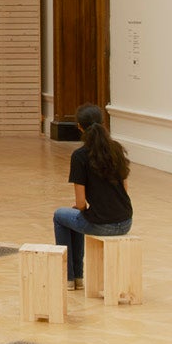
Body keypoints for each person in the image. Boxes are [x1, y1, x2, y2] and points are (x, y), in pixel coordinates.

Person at [53, 103, 133, 288]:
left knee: (61, 216)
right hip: (126, 221)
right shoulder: (116, 149)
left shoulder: (80, 156)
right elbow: (125, 189)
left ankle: (71, 278)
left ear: (80, 127)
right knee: (77, 218)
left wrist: (83, 210)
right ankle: (76, 278)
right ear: (103, 123)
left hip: (102, 225)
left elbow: (81, 203)